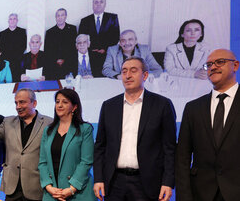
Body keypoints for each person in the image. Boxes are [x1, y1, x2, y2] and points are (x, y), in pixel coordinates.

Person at [94, 57, 176, 201]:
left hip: (148, 183)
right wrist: (98, 178)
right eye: (124, 71)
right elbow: (100, 146)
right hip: (114, 183)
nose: (128, 75)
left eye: (133, 71)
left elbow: (170, 148)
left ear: (145, 75)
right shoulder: (109, 106)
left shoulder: (162, 105)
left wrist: (168, 182)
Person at [176, 49, 240, 201]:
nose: (213, 67)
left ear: (235, 66)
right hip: (201, 193)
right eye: (209, 64)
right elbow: (182, 157)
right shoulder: (193, 108)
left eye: (220, 62)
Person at [0, 88, 53, 201]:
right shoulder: (8, 122)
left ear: (34, 103)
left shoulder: (49, 123)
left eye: (22, 102)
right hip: (12, 187)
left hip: (36, 186)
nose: (18, 106)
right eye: (16, 103)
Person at [38, 89, 96, 201]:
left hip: (78, 193)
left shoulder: (85, 129)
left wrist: (71, 189)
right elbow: (42, 162)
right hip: (52, 193)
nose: (59, 105)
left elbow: (86, 161)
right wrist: (49, 187)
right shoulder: (48, 130)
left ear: (74, 107)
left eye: (65, 102)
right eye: (57, 101)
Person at [78, 0, 120, 77]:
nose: (98, 4)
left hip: (107, 55)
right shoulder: (85, 20)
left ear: (105, 4)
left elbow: (116, 37)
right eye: (96, 2)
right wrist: (92, 49)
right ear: (92, 5)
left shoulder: (113, 18)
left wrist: (104, 49)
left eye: (101, 2)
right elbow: (81, 38)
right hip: (91, 56)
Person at [44, 8, 78, 80]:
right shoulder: (50, 32)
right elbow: (47, 51)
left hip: (69, 64)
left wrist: (65, 60)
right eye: (58, 16)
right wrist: (56, 60)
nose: (60, 18)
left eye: (62, 15)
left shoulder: (72, 29)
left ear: (65, 16)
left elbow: (74, 49)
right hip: (54, 66)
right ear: (55, 18)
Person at [0, 13, 27, 78]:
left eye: (14, 19)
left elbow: (23, 46)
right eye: (11, 19)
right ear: (8, 21)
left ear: (17, 20)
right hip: (6, 62)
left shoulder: (22, 31)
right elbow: (1, 48)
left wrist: (17, 57)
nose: (12, 21)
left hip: (18, 61)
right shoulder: (2, 34)